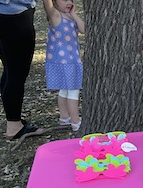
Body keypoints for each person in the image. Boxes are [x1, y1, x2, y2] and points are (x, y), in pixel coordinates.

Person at [0, 0, 44, 140]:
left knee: (10, 72)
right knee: (16, 75)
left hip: (4, 17)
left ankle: (13, 120)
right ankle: (14, 126)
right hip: (14, 18)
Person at [42, 0, 84, 132]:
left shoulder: (71, 16)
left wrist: (74, 14)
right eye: (64, 0)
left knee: (65, 90)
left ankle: (64, 117)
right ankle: (76, 122)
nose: (69, 2)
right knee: (73, 90)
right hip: (65, 61)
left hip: (71, 60)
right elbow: (47, 4)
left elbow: (84, 29)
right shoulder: (55, 16)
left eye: (71, 0)